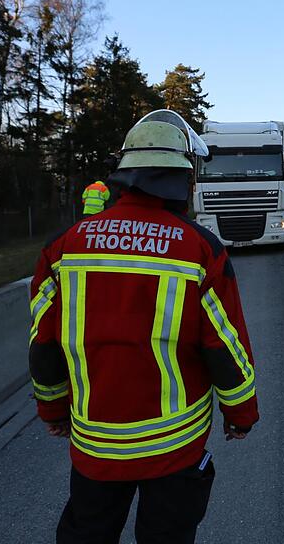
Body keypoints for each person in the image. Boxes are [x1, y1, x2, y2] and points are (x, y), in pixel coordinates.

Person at [29, 110, 259, 544]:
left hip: (95, 445)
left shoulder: (65, 247)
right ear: (182, 179)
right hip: (174, 447)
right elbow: (224, 345)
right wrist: (240, 415)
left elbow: (44, 342)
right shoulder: (198, 249)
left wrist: (53, 410)